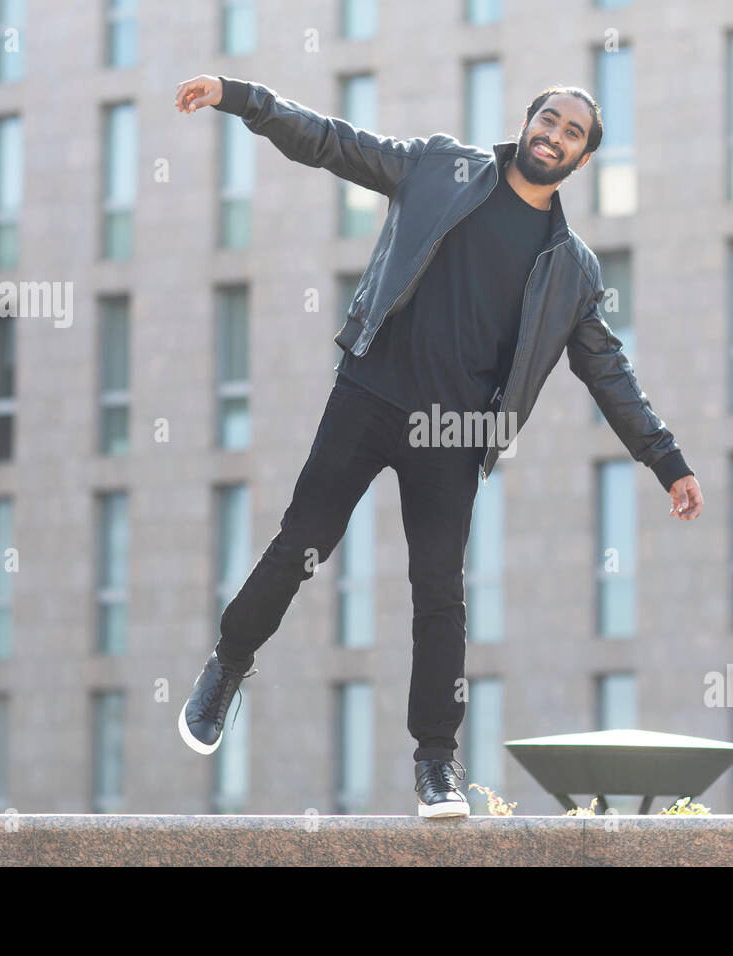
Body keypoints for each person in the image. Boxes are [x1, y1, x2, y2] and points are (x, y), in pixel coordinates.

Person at [171, 73, 704, 818]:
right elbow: (331, 142)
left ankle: (435, 765)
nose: (554, 134)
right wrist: (239, 96)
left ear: (582, 161)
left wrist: (666, 460)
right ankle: (228, 667)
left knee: (440, 595)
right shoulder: (440, 168)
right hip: (369, 393)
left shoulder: (571, 269)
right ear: (526, 124)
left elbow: (610, 373)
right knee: (302, 544)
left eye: (571, 132)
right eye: (547, 119)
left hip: (452, 436)